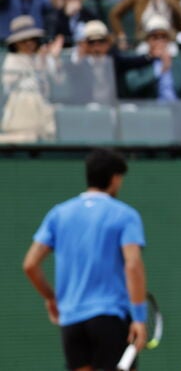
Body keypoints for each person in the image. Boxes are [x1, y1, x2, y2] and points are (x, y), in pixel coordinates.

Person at [23, 149, 149, 371]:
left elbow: (30, 265)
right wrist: (139, 318)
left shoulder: (58, 214)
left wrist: (51, 298)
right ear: (115, 178)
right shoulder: (125, 215)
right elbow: (133, 265)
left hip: (71, 322)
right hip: (110, 318)